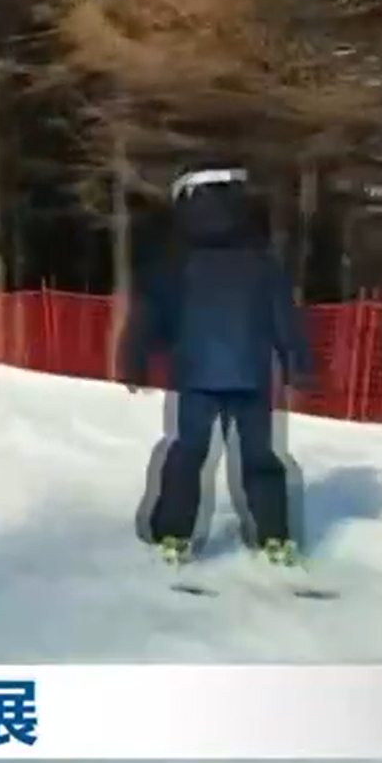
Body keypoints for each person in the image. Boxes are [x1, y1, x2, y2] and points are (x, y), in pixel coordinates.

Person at [118, 164, 314, 571]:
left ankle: (173, 533)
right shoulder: (262, 260)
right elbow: (285, 317)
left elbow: (149, 315)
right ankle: (275, 535)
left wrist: (135, 358)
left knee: (188, 451)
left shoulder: (175, 262)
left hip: (195, 373)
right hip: (252, 373)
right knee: (260, 454)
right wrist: (298, 362)